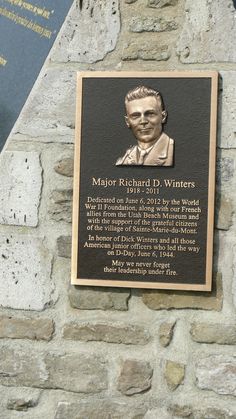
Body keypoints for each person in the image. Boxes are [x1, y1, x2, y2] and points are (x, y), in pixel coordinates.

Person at [116, 85, 174, 166]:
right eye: (135, 116)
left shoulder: (175, 151)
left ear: (163, 117)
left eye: (150, 114)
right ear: (127, 121)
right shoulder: (124, 159)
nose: (143, 121)